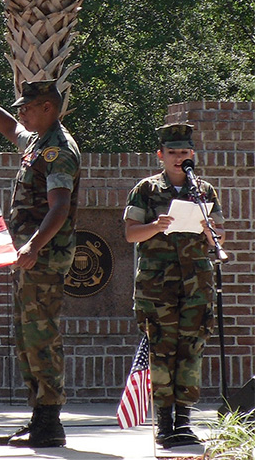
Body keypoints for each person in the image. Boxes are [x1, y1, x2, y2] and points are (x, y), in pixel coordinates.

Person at [0, 78, 80, 448]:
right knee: (26, 337)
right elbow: (10, 127)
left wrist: (34, 246)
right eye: (20, 106)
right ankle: (39, 417)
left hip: (44, 258)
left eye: (28, 106)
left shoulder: (58, 149)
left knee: (41, 337)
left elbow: (59, 206)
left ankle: (50, 423)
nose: (21, 111)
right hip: (29, 258)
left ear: (48, 109)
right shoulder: (39, 141)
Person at [123, 123, 223, 448]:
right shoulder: (146, 191)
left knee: (190, 351)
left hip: (196, 285)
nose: (179, 158)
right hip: (157, 288)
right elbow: (130, 233)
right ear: (161, 156)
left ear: (192, 154)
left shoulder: (204, 191)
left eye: (184, 152)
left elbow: (219, 233)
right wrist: (155, 226)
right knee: (162, 352)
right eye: (173, 153)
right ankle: (164, 424)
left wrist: (211, 233)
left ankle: (184, 421)